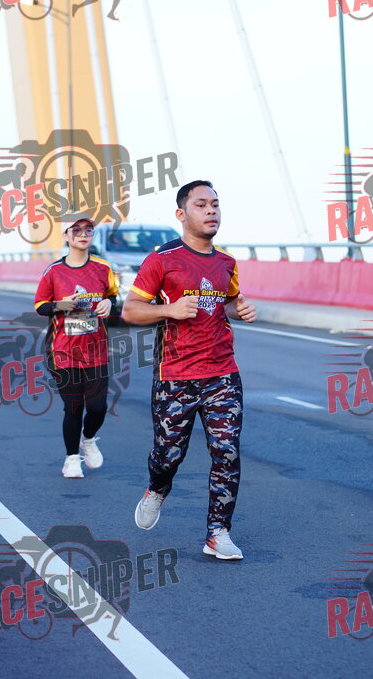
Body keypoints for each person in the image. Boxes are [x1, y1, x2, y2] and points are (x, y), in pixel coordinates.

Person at [122, 181, 257, 560]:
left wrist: (240, 310)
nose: (211, 210)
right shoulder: (162, 260)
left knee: (227, 452)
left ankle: (218, 533)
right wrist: (169, 309)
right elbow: (130, 310)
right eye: (201, 204)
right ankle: (157, 489)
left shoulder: (226, 262)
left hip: (222, 374)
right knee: (168, 456)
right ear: (181, 214)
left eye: (215, 204)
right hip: (175, 377)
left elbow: (228, 302)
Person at [34, 217, 118, 478]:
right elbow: (40, 306)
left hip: (96, 350)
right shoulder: (54, 271)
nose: (83, 234)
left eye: (88, 230)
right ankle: (71, 459)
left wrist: (109, 303)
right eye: (77, 230)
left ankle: (88, 439)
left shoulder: (103, 268)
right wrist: (60, 305)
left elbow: (112, 296)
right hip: (62, 351)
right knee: (73, 407)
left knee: (98, 407)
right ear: (66, 236)